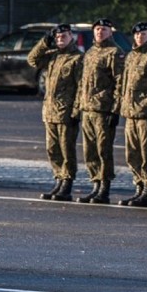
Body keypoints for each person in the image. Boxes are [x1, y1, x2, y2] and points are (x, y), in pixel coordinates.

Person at [26, 24, 82, 200]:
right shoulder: (53, 56)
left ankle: (67, 182)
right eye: (57, 37)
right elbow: (32, 59)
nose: (60, 39)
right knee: (52, 149)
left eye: (63, 36)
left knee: (67, 149)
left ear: (71, 36)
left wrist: (76, 112)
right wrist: (45, 42)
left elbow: (81, 87)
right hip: (50, 111)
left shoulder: (77, 58)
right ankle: (58, 178)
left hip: (66, 112)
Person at [76, 18, 125, 204]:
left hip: (104, 110)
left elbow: (120, 82)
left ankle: (104, 186)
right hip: (88, 108)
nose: (100, 32)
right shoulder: (90, 52)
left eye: (104, 29)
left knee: (103, 149)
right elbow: (83, 81)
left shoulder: (115, 53)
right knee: (89, 150)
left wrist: (115, 109)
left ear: (110, 32)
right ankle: (95, 182)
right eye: (97, 29)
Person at [117, 22, 147, 207]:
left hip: (145, 112)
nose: (139, 37)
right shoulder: (131, 55)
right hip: (130, 112)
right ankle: (139, 185)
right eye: (136, 34)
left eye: (143, 34)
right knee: (132, 153)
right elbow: (124, 82)